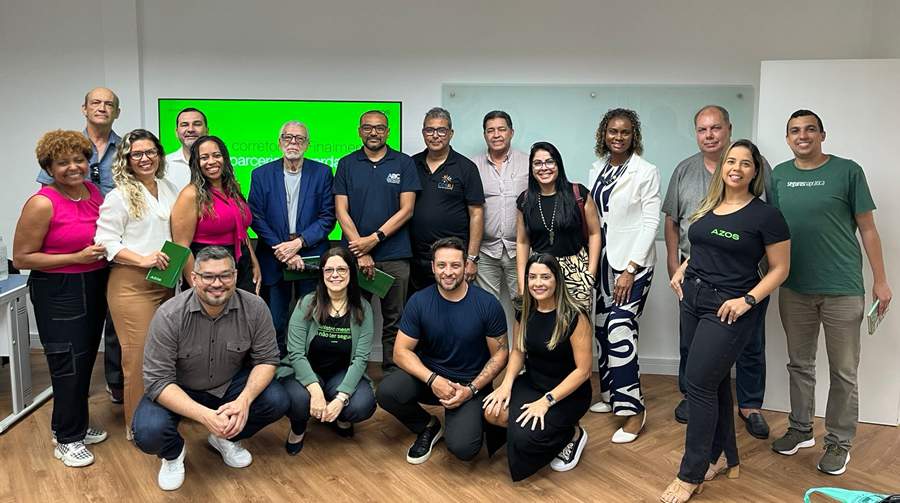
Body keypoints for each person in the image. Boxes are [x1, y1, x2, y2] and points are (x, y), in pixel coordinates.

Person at [661, 139, 790, 503]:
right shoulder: (711, 205)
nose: (735, 167)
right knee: (713, 382)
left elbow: (780, 269)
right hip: (692, 298)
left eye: (745, 163)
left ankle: (691, 474)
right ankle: (723, 457)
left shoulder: (766, 216)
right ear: (722, 168)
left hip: (729, 306)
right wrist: (681, 270)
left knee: (698, 382)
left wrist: (748, 300)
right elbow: (701, 248)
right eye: (730, 161)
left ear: (755, 171)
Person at [769, 110, 892, 476]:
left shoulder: (847, 171)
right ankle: (801, 428)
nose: (802, 135)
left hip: (842, 289)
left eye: (809, 129)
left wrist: (881, 280)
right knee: (800, 364)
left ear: (822, 134)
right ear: (788, 138)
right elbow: (771, 231)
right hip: (794, 288)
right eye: (794, 131)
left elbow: (868, 229)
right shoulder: (779, 175)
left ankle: (839, 443)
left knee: (843, 371)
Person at [132, 246, 289, 491]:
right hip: (180, 388)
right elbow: (157, 381)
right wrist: (205, 416)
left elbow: (267, 360)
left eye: (225, 275)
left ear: (235, 276)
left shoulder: (255, 308)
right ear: (194, 278)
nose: (217, 283)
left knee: (277, 399)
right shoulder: (169, 315)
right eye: (208, 276)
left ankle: (225, 437)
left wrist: (244, 401)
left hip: (228, 386)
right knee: (147, 432)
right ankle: (173, 454)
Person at [663, 105, 773, 437]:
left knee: (751, 343)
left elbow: (770, 220)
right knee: (691, 344)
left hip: (743, 282)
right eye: (702, 129)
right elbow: (672, 221)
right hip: (693, 278)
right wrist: (674, 264)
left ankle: (750, 404)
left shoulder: (757, 168)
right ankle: (691, 396)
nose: (709, 135)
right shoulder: (684, 171)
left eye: (716, 128)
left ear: (728, 129)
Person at [13, 130, 110, 467]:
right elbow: (23, 258)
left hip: (94, 282)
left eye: (79, 159)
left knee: (84, 361)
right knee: (66, 362)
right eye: (63, 162)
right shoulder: (42, 203)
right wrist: (75, 258)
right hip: (59, 290)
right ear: (49, 168)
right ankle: (67, 439)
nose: (74, 167)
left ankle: (73, 425)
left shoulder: (92, 192)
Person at [376, 237, 509, 464]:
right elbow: (400, 352)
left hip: (470, 385)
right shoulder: (419, 301)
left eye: (455, 265)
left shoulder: (487, 304)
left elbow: (501, 353)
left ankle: (470, 418)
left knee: (464, 448)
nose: (448, 272)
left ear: (466, 266)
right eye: (442, 265)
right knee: (387, 392)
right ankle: (427, 426)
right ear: (433, 267)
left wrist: (471, 389)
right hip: (431, 380)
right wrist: (433, 380)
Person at [35, 87, 124, 404]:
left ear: (117, 111)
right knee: (73, 342)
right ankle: (73, 402)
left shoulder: (125, 149)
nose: (102, 108)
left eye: (109, 104)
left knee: (110, 323)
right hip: (69, 264)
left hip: (108, 255)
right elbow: (48, 200)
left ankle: (115, 386)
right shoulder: (65, 148)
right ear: (84, 108)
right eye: (96, 102)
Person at [94, 129, 179, 438]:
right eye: (137, 154)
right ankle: (139, 426)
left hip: (166, 281)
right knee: (138, 356)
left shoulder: (169, 187)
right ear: (127, 160)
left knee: (164, 354)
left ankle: (163, 416)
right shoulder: (118, 195)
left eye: (150, 152)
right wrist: (142, 259)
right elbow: (104, 241)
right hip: (131, 285)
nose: (145, 158)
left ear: (159, 154)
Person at [483, 254, 592, 481]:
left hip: (567, 392)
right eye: (532, 277)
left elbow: (583, 371)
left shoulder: (575, 315)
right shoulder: (523, 309)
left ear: (557, 280)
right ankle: (528, 431)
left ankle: (573, 433)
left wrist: (547, 401)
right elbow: (518, 351)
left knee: (525, 438)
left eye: (545, 277)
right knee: (493, 413)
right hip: (533, 382)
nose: (538, 283)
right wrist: (506, 385)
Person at [587, 108, 660, 443]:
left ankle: (633, 410)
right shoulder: (597, 169)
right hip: (602, 261)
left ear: (635, 136)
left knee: (619, 329)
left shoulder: (646, 172)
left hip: (632, 264)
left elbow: (650, 222)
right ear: (604, 133)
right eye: (613, 131)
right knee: (602, 328)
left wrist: (631, 268)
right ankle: (610, 394)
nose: (618, 137)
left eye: (625, 132)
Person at [334, 110, 420, 373]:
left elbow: (407, 210)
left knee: (395, 319)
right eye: (368, 128)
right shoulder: (347, 163)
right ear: (360, 131)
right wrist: (360, 251)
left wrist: (374, 239)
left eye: (380, 128)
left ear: (388, 132)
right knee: (352, 317)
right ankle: (348, 375)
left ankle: (393, 376)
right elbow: (341, 210)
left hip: (395, 255)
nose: (374, 132)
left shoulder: (404, 163)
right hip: (355, 256)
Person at [275, 247, 377, 455]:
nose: (335, 275)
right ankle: (298, 426)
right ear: (321, 274)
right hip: (304, 372)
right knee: (297, 399)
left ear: (351, 272)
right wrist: (315, 391)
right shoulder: (306, 303)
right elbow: (295, 352)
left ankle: (339, 415)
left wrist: (341, 399)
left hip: (340, 374)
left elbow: (360, 358)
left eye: (342, 269)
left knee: (361, 404)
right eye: (329, 270)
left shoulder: (363, 308)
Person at [249, 121, 335, 357]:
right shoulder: (260, 174)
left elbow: (328, 217)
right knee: (275, 319)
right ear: (279, 143)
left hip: (311, 255)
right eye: (287, 138)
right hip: (274, 256)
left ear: (307, 144)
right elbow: (255, 217)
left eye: (299, 138)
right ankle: (276, 367)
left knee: (311, 317)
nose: (293, 142)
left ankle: (307, 367)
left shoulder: (323, 173)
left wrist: (298, 244)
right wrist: (282, 249)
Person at [515, 142, 601, 310]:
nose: (544, 168)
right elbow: (522, 242)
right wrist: (521, 281)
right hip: (540, 272)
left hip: (575, 269)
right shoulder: (525, 200)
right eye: (537, 163)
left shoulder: (578, 194)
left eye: (549, 161)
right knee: (544, 328)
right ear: (531, 168)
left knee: (578, 329)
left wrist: (590, 274)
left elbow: (595, 233)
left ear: (558, 164)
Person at [172, 135, 261, 294]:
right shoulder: (190, 195)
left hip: (241, 264)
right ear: (196, 163)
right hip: (208, 269)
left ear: (225, 158)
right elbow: (181, 247)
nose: (211, 161)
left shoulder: (234, 188)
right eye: (204, 157)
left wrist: (254, 263)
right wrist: (197, 287)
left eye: (217, 155)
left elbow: (241, 230)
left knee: (243, 316)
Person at [409, 107, 485, 292]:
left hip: (453, 260)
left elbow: (476, 214)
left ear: (451, 133)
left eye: (441, 130)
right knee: (419, 310)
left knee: (454, 309)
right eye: (429, 130)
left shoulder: (466, 167)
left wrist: (472, 258)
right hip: (415, 258)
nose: (435, 135)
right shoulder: (410, 164)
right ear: (423, 133)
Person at [474, 110, 529, 324]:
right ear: (485, 134)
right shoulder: (473, 166)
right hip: (485, 250)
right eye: (490, 130)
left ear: (511, 132)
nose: (496, 135)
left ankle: (521, 356)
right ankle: (496, 356)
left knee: (524, 306)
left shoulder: (528, 163)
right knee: (487, 309)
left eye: (501, 129)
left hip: (520, 250)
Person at [165, 107, 209, 190]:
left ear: (207, 131)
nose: (190, 129)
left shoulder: (219, 164)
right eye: (184, 125)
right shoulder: (163, 164)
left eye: (197, 124)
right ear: (176, 132)